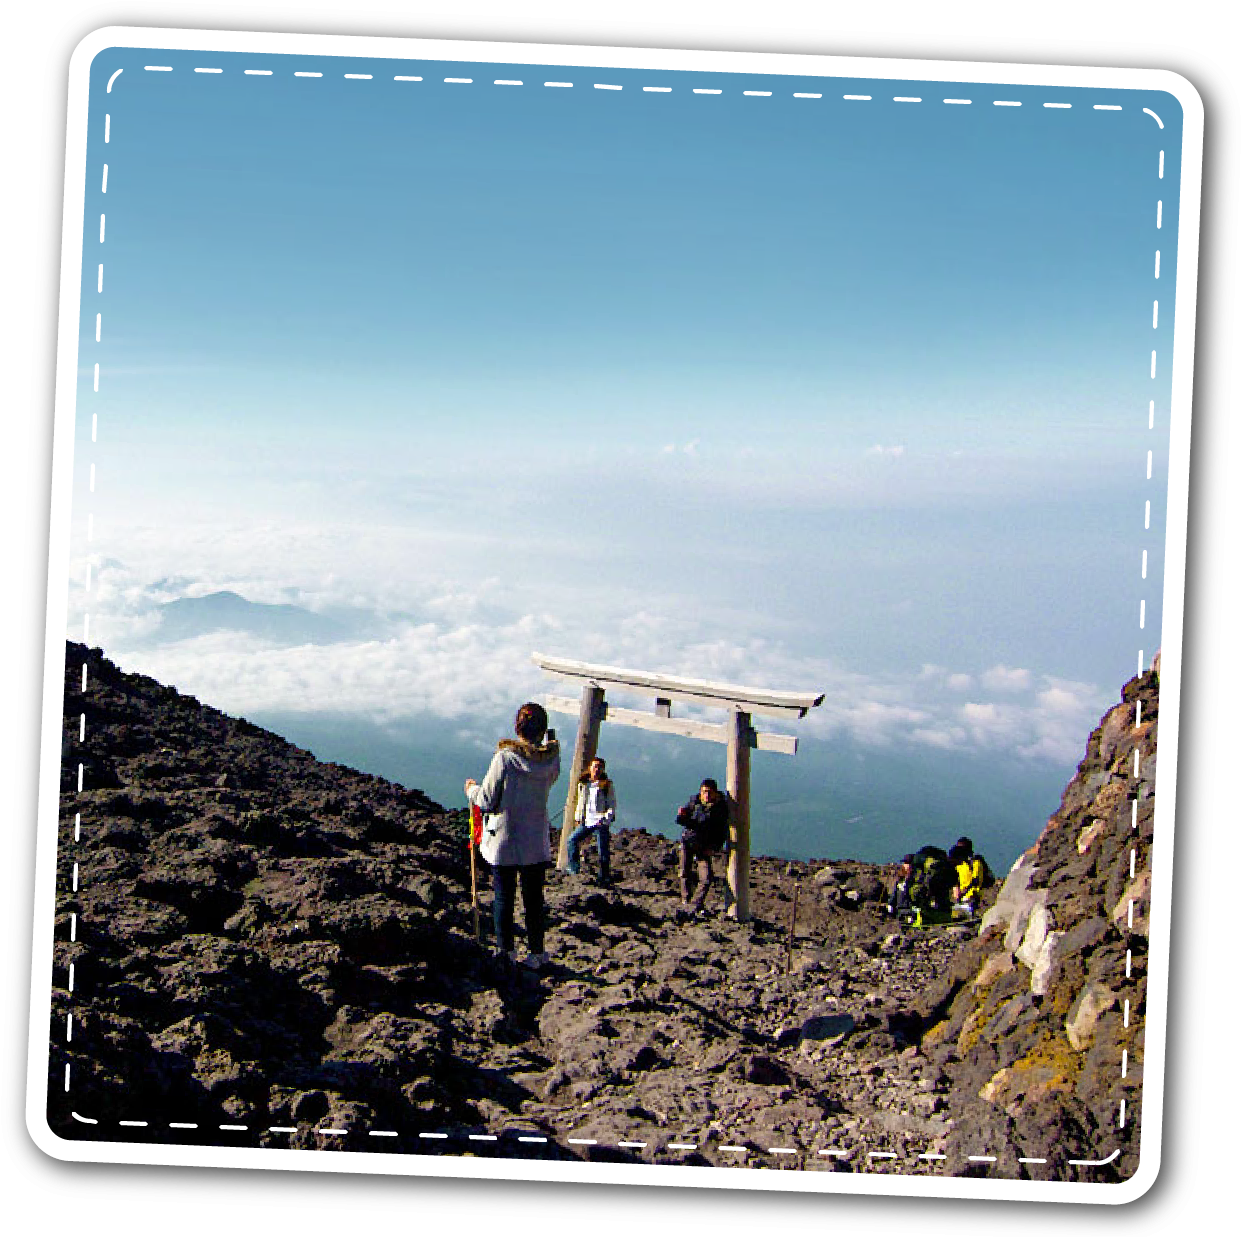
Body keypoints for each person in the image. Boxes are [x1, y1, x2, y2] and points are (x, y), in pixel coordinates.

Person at [465, 702, 561, 971]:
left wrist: (471, 790)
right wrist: (551, 741)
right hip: (536, 840)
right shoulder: (552, 760)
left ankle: (506, 952)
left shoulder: (505, 758)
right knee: (534, 900)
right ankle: (537, 953)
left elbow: (486, 800)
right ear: (542, 729)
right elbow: (550, 772)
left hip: (504, 839)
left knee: (504, 898)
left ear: (517, 727)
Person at [676, 778, 729, 918]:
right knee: (684, 873)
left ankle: (694, 904)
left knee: (706, 878)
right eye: (704, 792)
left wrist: (714, 848)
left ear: (716, 793)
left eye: (709, 792)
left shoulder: (720, 809)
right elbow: (683, 821)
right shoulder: (695, 802)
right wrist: (681, 815)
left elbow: (722, 832)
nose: (706, 795)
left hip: (704, 847)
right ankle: (686, 901)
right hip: (688, 842)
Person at [566, 756, 616, 885]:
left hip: (600, 822)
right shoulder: (583, 783)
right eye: (595, 766)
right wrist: (578, 817)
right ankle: (573, 868)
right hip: (586, 821)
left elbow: (612, 804)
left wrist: (605, 819)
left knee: (602, 850)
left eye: (600, 767)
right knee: (572, 840)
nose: (597, 769)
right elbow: (580, 803)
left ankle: (604, 876)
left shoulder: (607, 785)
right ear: (590, 768)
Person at [950, 836, 987, 916]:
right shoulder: (959, 864)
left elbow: (976, 881)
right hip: (961, 900)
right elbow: (956, 882)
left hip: (972, 898)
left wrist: (966, 892)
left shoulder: (976, 862)